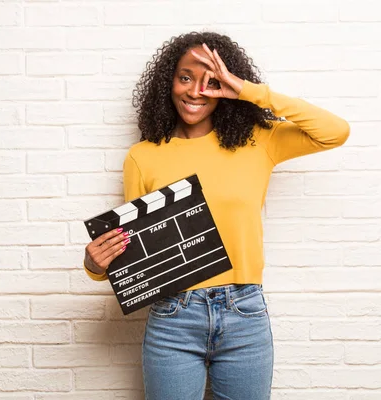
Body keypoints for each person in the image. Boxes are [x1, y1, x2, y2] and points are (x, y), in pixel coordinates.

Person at [83, 31, 350, 400]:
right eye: (186, 78)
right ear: (169, 82)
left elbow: (335, 132)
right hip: (174, 316)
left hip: (245, 312)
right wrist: (96, 265)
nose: (195, 91)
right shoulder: (142, 156)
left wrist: (248, 90)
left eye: (211, 82)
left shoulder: (259, 141)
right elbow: (141, 253)